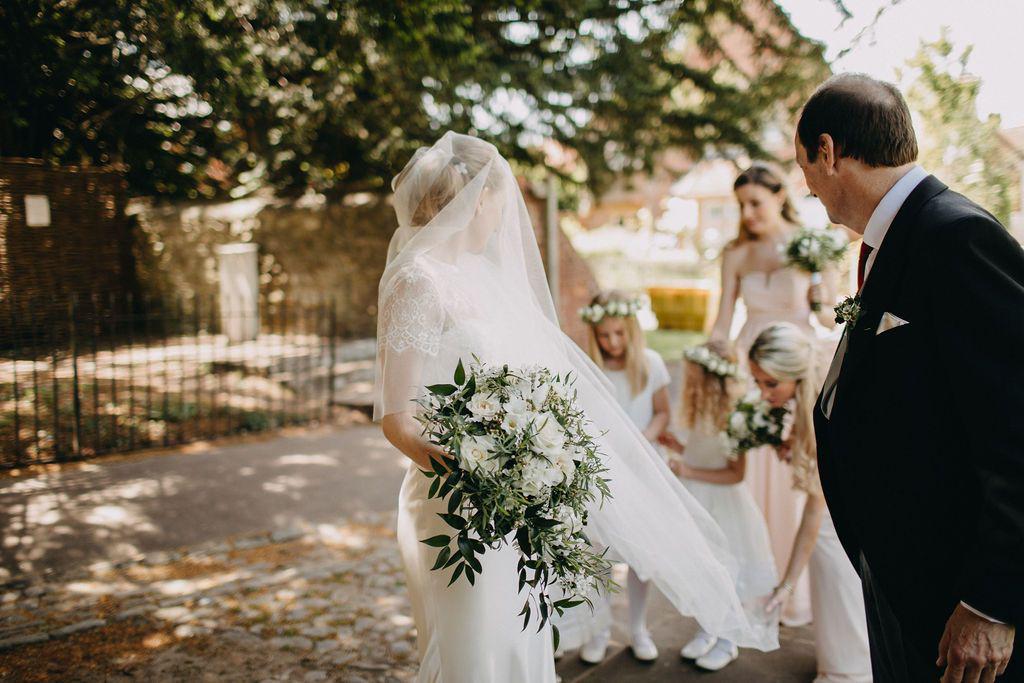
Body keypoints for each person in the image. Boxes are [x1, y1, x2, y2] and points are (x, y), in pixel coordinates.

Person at [374, 132, 774, 682]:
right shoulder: (417, 282)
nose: (503, 216)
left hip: (515, 501)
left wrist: (536, 466)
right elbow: (398, 417)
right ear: (470, 203)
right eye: (498, 200)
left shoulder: (482, 279)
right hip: (460, 503)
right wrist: (484, 474)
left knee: (520, 636)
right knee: (476, 647)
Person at [796, 72, 1022, 683]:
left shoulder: (956, 236)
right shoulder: (891, 241)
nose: (808, 187)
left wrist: (991, 603)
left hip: (956, 597)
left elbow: (1017, 428)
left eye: (806, 168)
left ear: (828, 151)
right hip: (903, 575)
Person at [708, 162, 839, 625]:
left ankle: (791, 587)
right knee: (750, 478)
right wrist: (716, 353)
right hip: (751, 371)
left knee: (796, 481)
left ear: (780, 196)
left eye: (755, 203)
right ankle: (753, 583)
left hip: (795, 367)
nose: (747, 214)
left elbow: (830, 320)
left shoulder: (810, 249)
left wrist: (823, 304)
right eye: (741, 205)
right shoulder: (735, 254)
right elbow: (723, 321)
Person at [749, 323, 872, 682]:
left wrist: (787, 584)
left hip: (839, 523)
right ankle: (838, 662)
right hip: (837, 516)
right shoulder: (809, 401)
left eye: (771, 384)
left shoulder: (824, 410)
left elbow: (816, 509)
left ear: (797, 375)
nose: (762, 393)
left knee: (840, 588)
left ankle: (849, 672)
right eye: (758, 382)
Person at [553, 290, 670, 664]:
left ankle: (638, 627)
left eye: (619, 334)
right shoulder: (586, 370)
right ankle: (599, 627)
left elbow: (662, 413)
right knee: (598, 551)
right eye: (604, 335)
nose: (612, 342)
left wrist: (641, 441)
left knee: (641, 554)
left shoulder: (651, 364)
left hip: (641, 467)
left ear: (631, 330)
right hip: (599, 470)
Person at [661, 341, 779, 671]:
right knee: (702, 569)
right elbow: (700, 450)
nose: (689, 384)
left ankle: (728, 640)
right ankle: (707, 629)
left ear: (712, 380)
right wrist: (679, 448)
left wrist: (688, 470)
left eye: (695, 377)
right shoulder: (699, 409)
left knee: (727, 571)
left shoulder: (735, 417)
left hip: (723, 503)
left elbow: (734, 474)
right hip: (696, 498)